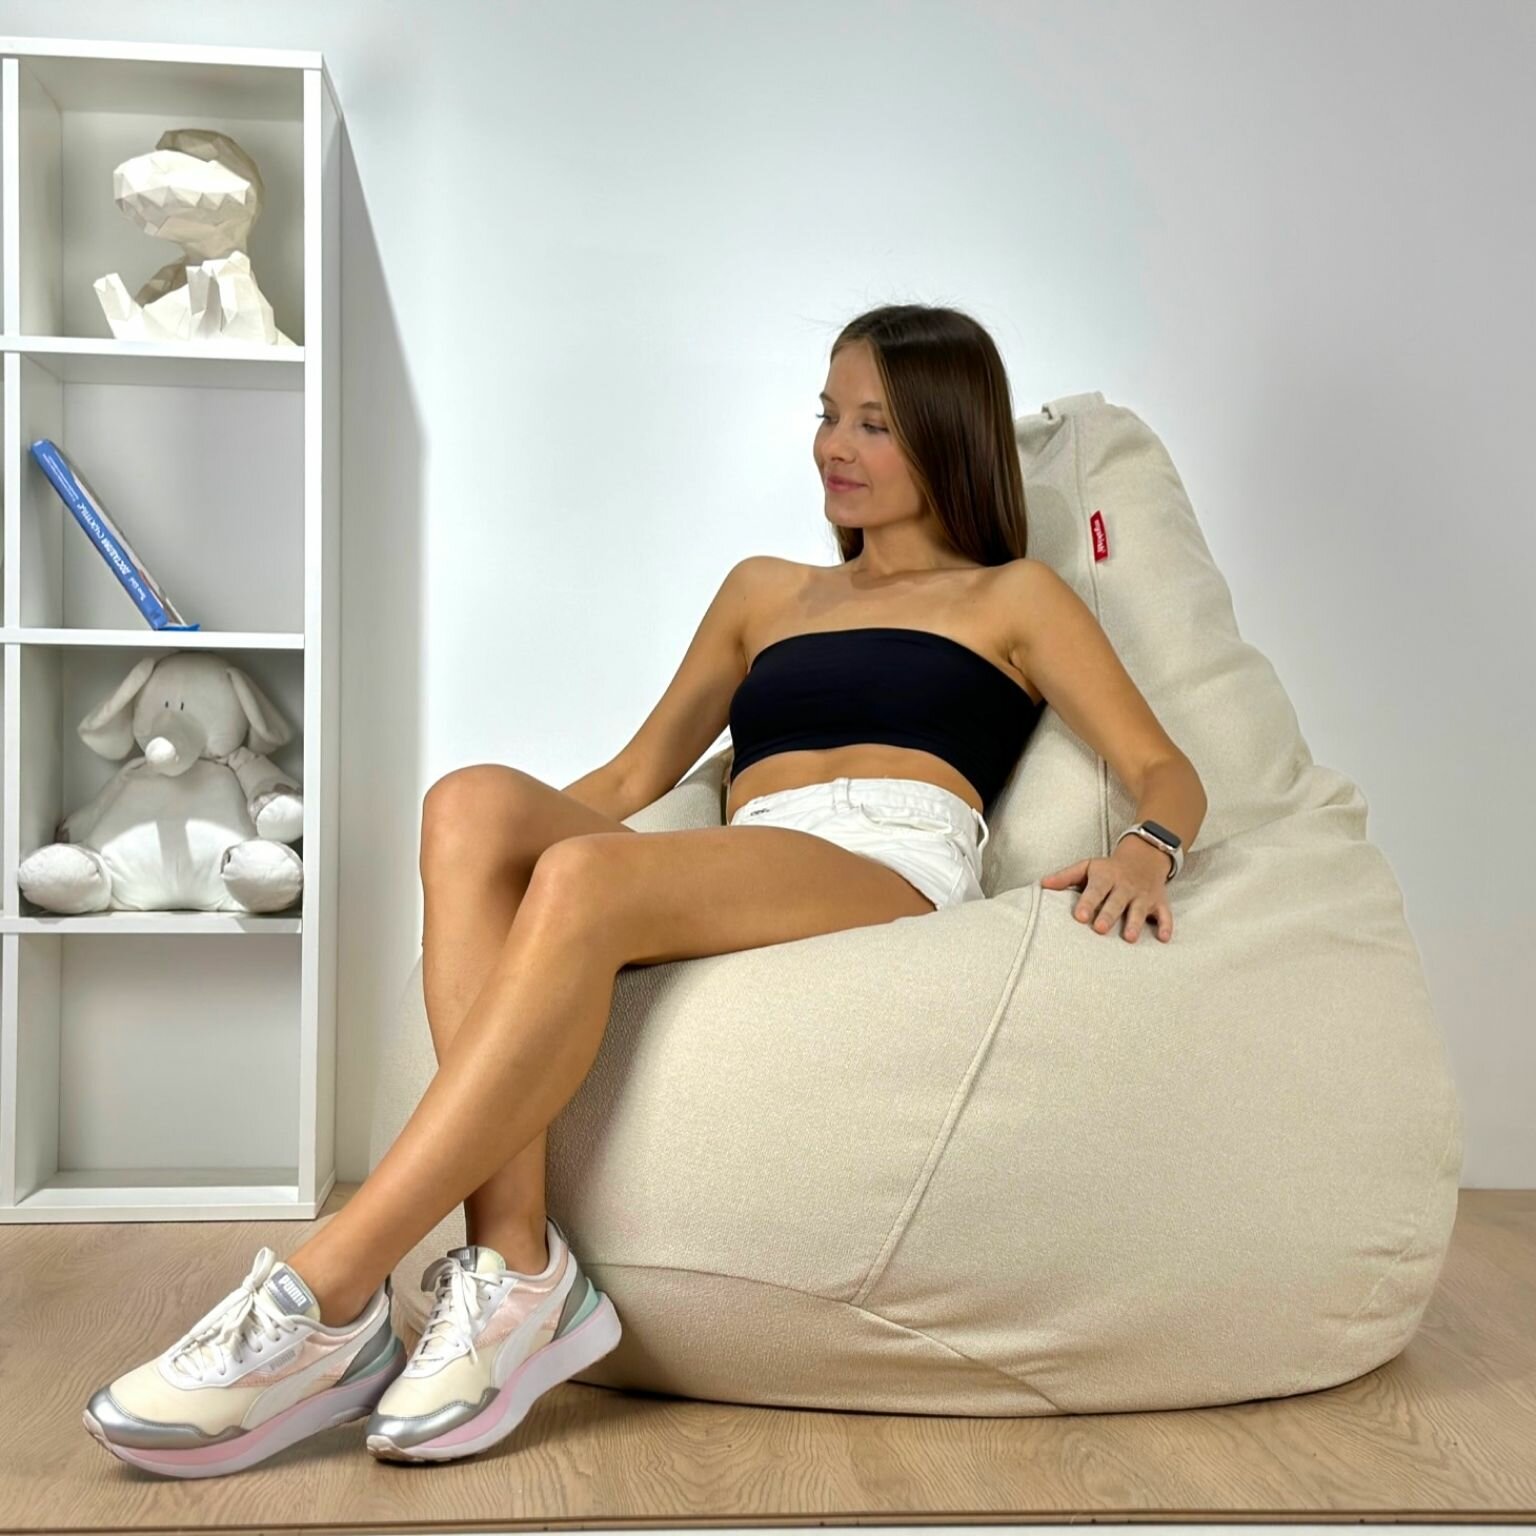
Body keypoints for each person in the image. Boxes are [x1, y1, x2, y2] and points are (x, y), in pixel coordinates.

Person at [81, 303, 1207, 1475]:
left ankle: (327, 1290)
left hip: (887, 860)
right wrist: (496, 867)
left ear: (945, 435)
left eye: (875, 424)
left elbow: (1164, 767)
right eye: (828, 414)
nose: (834, 445)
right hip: (751, 844)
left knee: (579, 872)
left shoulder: (1014, 597)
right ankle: (517, 1271)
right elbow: (631, 778)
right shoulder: (764, 591)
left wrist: (1148, 850)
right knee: (466, 802)